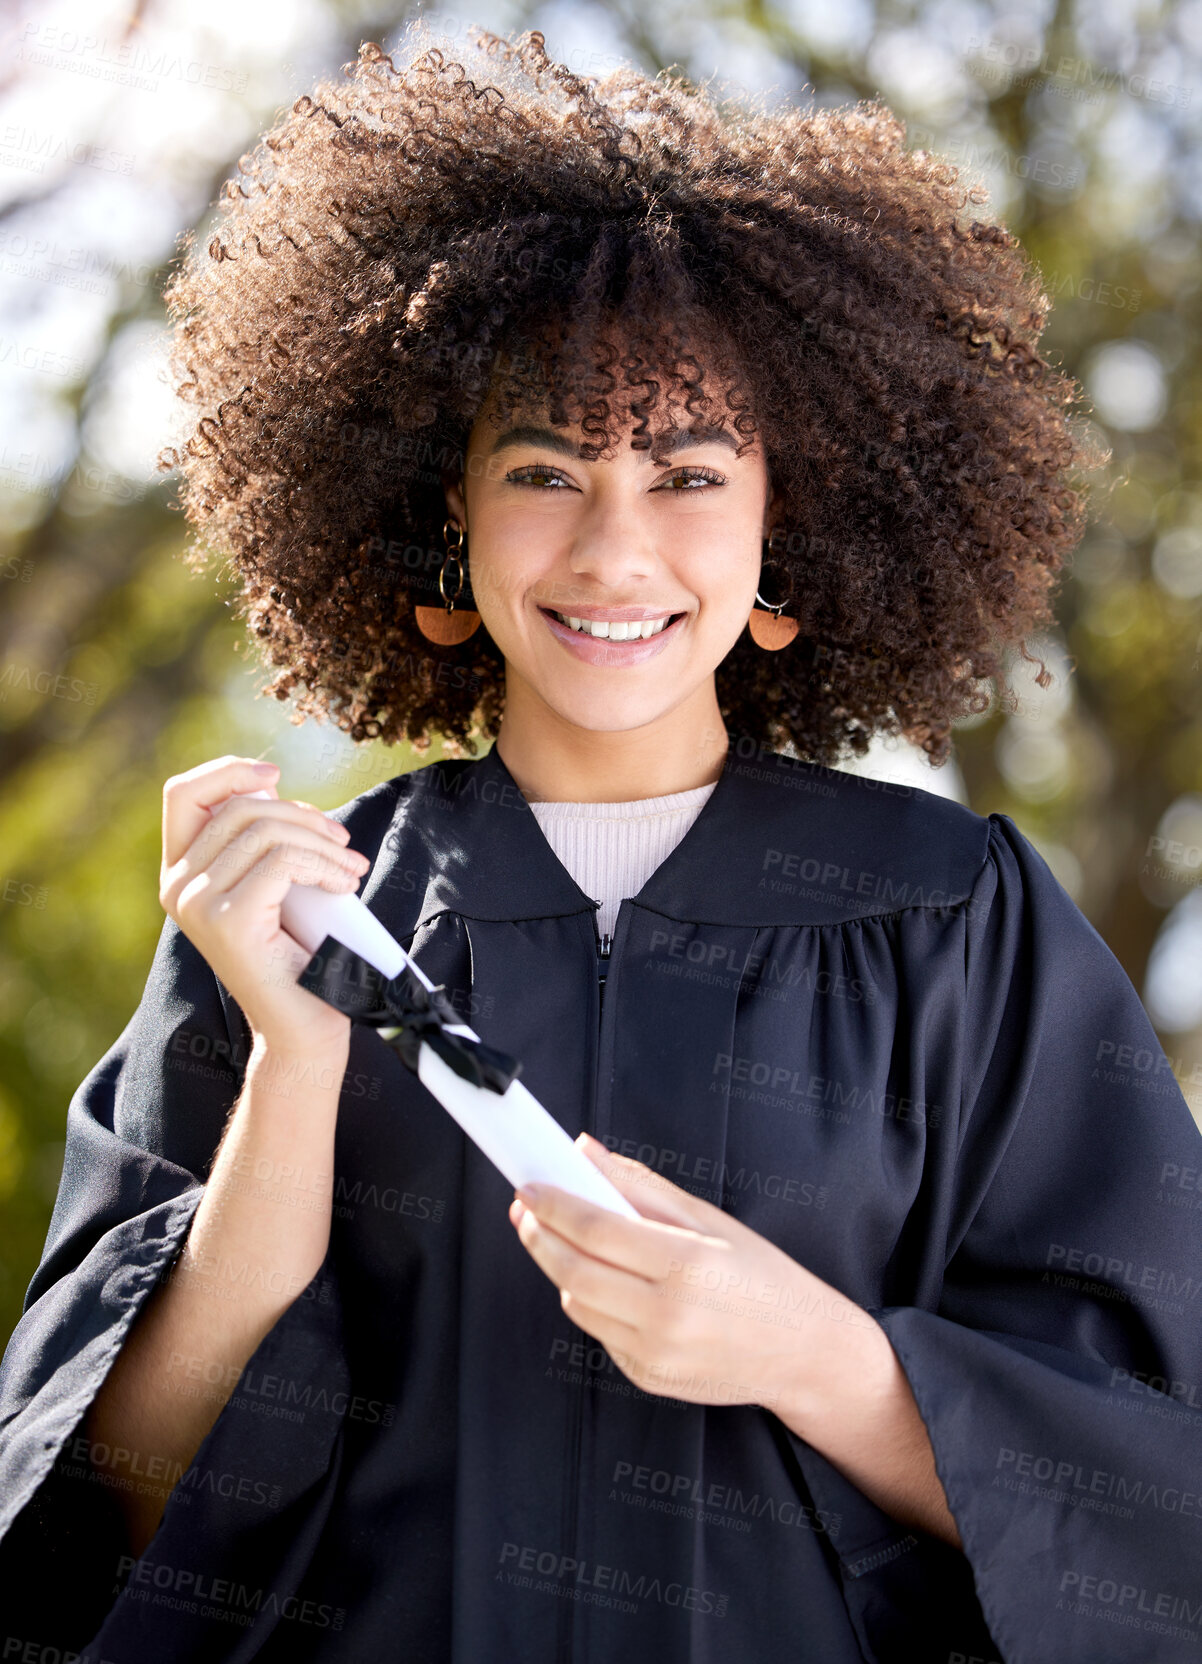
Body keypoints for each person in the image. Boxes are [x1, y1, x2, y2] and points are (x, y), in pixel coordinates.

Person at [2, 21, 1200, 1663]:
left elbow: (1158, 1493)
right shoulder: (299, 920)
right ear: (451, 517)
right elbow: (106, 1520)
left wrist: (822, 1358)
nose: (613, 547)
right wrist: (289, 1062)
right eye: (544, 467)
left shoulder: (949, 917)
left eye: (690, 472)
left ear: (793, 524)